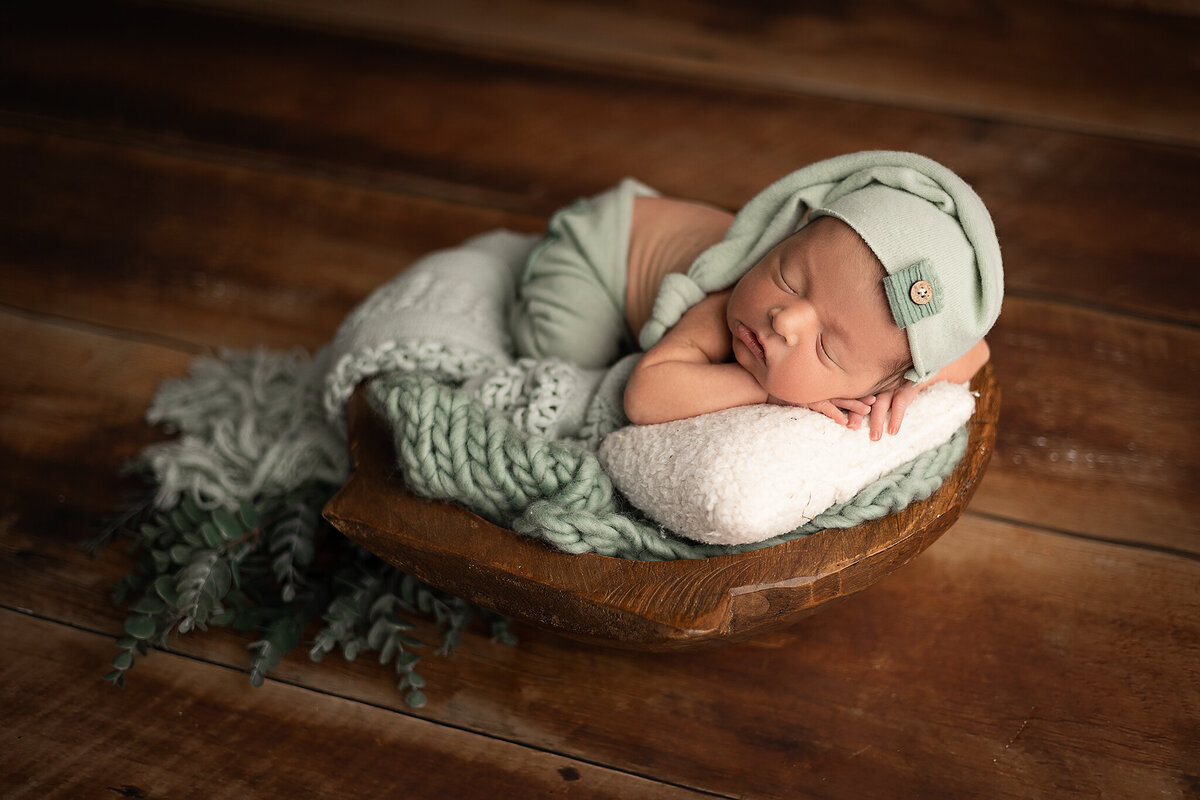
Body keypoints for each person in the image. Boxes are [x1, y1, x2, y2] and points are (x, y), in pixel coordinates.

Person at [509, 151, 1003, 440]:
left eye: (827, 346)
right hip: (599, 246)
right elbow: (645, 396)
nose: (785, 320)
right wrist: (769, 391)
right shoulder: (724, 306)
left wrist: (908, 385)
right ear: (788, 233)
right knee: (570, 353)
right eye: (788, 277)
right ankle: (525, 269)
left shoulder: (883, 353)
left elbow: (974, 350)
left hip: (650, 220)